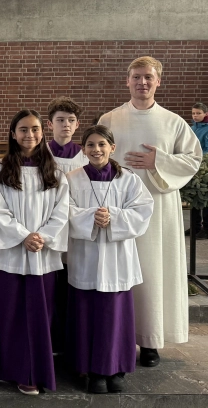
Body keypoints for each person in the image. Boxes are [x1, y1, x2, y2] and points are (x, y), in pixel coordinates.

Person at [98, 56, 201, 367]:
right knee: (120, 271)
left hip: (158, 208)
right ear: (127, 81)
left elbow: (193, 159)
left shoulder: (173, 121)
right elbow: (97, 155)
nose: (142, 82)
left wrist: (159, 162)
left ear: (158, 82)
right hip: (118, 207)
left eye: (148, 77)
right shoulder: (110, 119)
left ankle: (151, 340)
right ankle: (119, 337)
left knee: (153, 270)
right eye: (137, 77)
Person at [66, 125, 154, 394]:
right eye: (90, 145)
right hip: (86, 255)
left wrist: (113, 217)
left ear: (112, 147)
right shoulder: (72, 179)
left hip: (118, 257)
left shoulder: (128, 179)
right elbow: (63, 210)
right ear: (83, 149)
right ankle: (91, 370)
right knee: (87, 314)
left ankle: (116, 369)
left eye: (102, 144)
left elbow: (143, 210)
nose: (96, 149)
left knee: (115, 316)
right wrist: (91, 217)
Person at [0, 109, 69, 395]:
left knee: (39, 316)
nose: (29, 134)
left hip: (43, 254)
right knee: (10, 314)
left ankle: (37, 372)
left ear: (42, 132)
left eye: (34, 129)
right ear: (13, 134)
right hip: (11, 253)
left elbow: (62, 211)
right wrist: (23, 236)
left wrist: (41, 237)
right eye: (23, 129)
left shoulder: (55, 172)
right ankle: (11, 371)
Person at [45, 96, 89, 356]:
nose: (66, 125)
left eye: (71, 120)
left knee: (70, 286)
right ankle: (51, 341)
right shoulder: (41, 155)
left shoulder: (86, 157)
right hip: (49, 228)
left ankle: (70, 343)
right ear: (50, 124)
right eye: (60, 120)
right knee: (51, 285)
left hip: (75, 231)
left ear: (77, 124)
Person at [186, 102, 208, 238]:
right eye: (193, 113)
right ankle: (195, 227)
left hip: (204, 167)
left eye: (198, 113)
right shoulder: (192, 128)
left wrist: (200, 160)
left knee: (204, 199)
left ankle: (206, 228)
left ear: (205, 114)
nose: (195, 116)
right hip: (192, 165)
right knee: (193, 197)